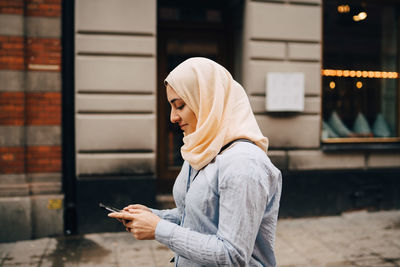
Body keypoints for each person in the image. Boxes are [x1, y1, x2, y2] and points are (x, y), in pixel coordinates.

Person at [109, 57, 282, 267]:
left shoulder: (245, 164)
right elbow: (197, 216)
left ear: (208, 101)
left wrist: (158, 229)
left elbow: (232, 255)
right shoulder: (202, 148)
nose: (173, 117)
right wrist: (153, 217)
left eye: (180, 105)